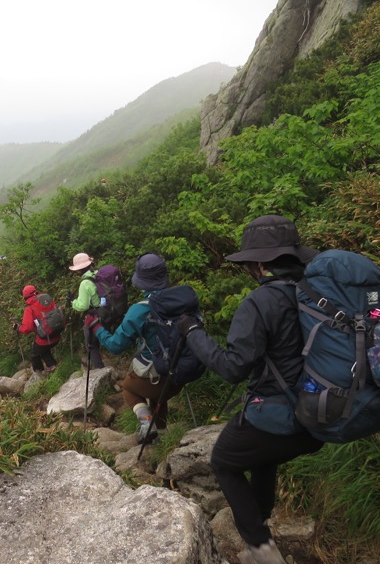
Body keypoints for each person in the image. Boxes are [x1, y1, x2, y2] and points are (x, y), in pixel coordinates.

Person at [176, 214, 325, 564]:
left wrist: (193, 333)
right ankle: (261, 522)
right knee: (262, 454)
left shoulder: (259, 303)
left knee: (225, 461)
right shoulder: (316, 293)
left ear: (259, 264)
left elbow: (232, 368)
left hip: (284, 414)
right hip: (322, 414)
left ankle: (260, 548)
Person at [86, 252, 183, 443]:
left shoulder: (140, 310)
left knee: (129, 388)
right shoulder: (182, 301)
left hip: (158, 377)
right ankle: (161, 436)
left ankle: (147, 424)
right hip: (182, 374)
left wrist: (97, 328)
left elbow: (115, 345)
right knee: (157, 394)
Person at [68, 252, 104, 369]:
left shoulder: (85, 283)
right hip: (105, 311)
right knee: (98, 341)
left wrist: (72, 302)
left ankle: (100, 371)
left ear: (79, 269)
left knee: (91, 345)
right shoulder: (98, 274)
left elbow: (83, 306)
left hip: (94, 316)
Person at [13, 285, 60, 374]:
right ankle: (53, 367)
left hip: (45, 338)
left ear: (25, 297)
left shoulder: (30, 308)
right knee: (44, 351)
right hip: (57, 333)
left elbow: (27, 328)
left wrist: (18, 328)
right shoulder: (48, 300)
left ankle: (39, 375)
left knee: (35, 354)